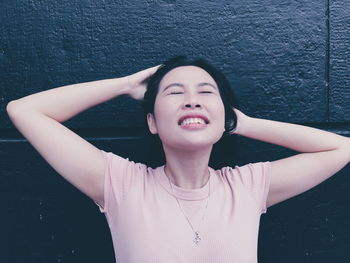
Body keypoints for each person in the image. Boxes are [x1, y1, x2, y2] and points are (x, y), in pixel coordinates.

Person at [6, 56, 350, 263]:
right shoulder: (121, 184)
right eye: (175, 93)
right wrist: (125, 85)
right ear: (152, 122)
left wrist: (243, 123)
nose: (192, 101)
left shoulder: (247, 187)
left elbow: (340, 149)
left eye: (206, 93)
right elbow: (25, 111)